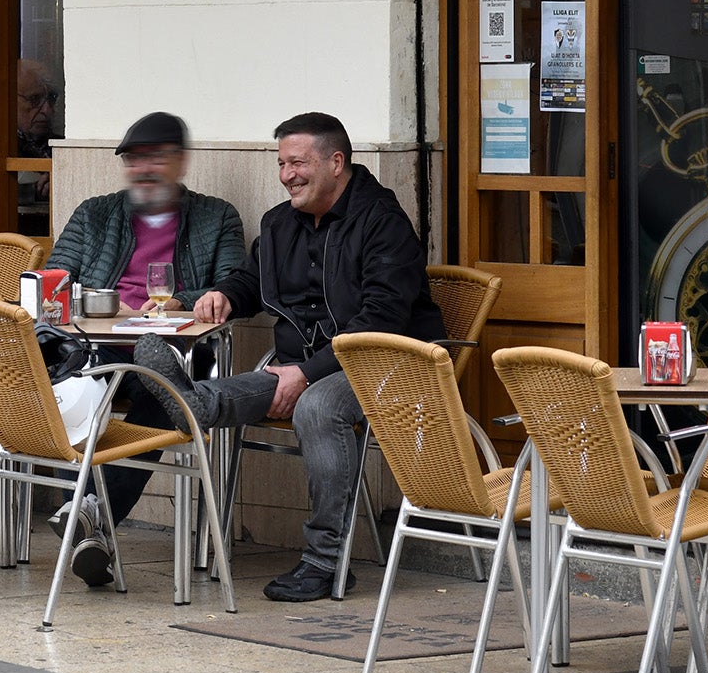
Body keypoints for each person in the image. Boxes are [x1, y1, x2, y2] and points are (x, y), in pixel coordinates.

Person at [135, 112, 446, 602]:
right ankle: (193, 403)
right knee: (277, 386)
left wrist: (306, 373)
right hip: (299, 364)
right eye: (282, 164)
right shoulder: (279, 223)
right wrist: (226, 296)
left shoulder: (383, 222)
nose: (287, 175)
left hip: (384, 365)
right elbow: (252, 278)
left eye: (297, 163)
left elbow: (381, 320)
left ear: (336, 162)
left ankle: (326, 564)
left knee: (317, 406)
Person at [44, 111, 248, 586]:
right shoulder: (95, 213)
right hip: (96, 347)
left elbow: (234, 285)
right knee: (75, 387)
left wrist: (186, 300)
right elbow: (56, 279)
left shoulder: (216, 217)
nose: (143, 169)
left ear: (180, 162)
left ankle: (85, 520)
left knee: (167, 397)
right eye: (134, 160)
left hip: (173, 354)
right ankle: (88, 525)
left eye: (155, 158)